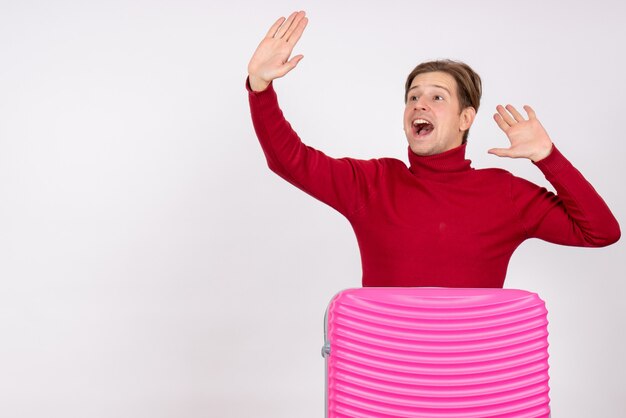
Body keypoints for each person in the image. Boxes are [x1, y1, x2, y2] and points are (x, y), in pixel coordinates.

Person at [246, 11, 620, 288]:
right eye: (413, 97)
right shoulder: (373, 182)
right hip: (386, 376)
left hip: (471, 380)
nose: (419, 105)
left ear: (465, 118)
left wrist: (547, 157)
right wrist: (260, 86)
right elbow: (288, 159)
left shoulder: (504, 192)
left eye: (436, 97)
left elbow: (600, 232)